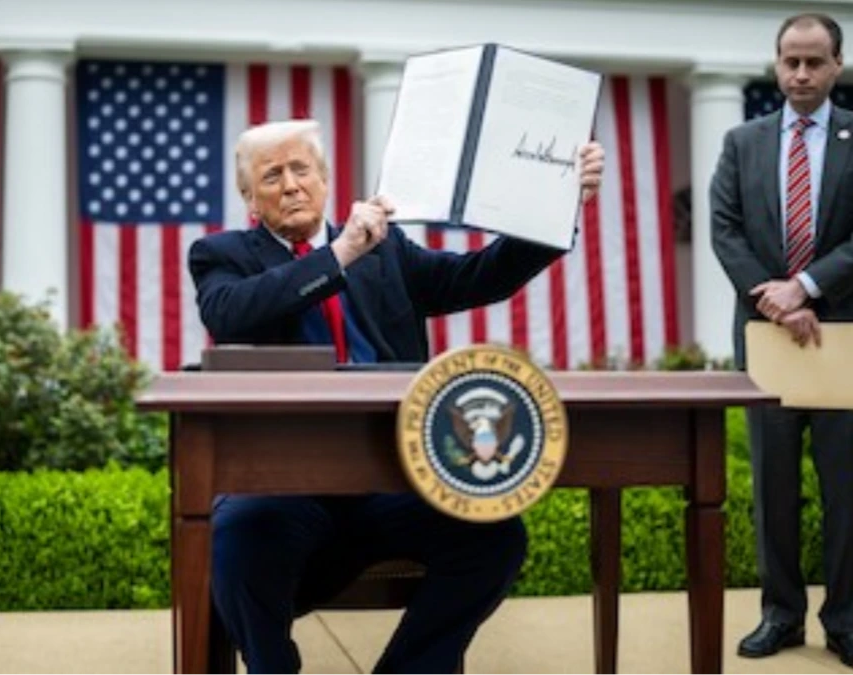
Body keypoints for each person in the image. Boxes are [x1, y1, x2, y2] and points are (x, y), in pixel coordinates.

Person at [187, 119, 604, 674]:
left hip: (389, 477)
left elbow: (481, 276)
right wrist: (338, 255)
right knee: (237, 535)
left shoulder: (387, 251)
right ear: (249, 198)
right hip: (285, 486)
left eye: (301, 169)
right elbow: (230, 314)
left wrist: (554, 208)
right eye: (272, 176)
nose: (290, 185)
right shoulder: (221, 255)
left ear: (324, 178)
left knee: (496, 536)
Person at [710, 12, 853, 671]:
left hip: (845, 332)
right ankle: (780, 615)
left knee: (846, 489)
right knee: (773, 485)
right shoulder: (741, 141)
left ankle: (845, 623)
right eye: (790, 61)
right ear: (776, 63)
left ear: (837, 65)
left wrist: (807, 287)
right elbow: (725, 228)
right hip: (767, 334)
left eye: (814, 62)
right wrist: (777, 299)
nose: (800, 74)